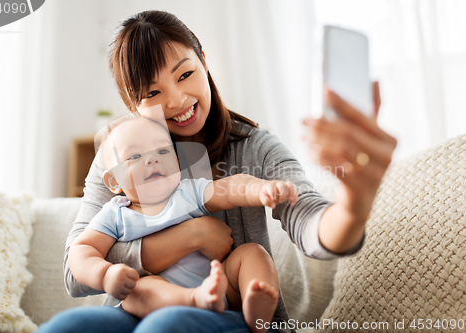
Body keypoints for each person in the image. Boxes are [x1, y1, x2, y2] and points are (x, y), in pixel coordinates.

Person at [37, 9, 397, 333]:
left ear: (204, 61)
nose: (177, 100)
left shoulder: (256, 148)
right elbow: (75, 272)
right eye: (152, 92)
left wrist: (353, 204)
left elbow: (310, 224)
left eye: (186, 74)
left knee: (169, 324)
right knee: (70, 325)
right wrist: (191, 236)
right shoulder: (119, 157)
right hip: (135, 307)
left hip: (230, 309)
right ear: (132, 104)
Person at [68, 113, 298, 332]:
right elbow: (83, 250)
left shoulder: (188, 192)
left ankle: (256, 303)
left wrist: (263, 188)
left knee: (251, 253)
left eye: (162, 150)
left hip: (219, 286)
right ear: (113, 180)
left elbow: (229, 188)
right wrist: (105, 274)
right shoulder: (115, 214)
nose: (152, 159)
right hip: (155, 301)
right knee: (141, 288)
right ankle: (194, 299)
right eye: (135, 156)